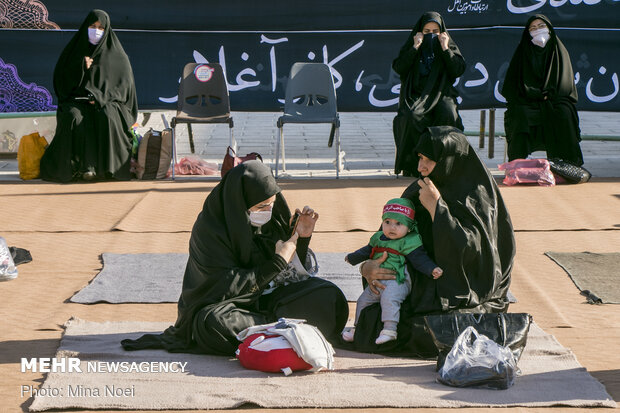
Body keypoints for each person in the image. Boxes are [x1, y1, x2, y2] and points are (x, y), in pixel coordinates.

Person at [121, 161, 348, 356]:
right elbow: (222, 286)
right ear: (239, 203)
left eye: (271, 203)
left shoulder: (272, 219)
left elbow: (290, 275)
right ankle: (290, 331)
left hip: (268, 303)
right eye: (261, 206)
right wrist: (276, 263)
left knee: (330, 296)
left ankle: (272, 334)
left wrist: (301, 237)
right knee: (211, 324)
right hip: (227, 305)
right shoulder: (210, 230)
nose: (268, 210)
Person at [351, 126, 515, 356]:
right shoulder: (418, 189)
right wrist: (369, 267)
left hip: (467, 290)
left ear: (450, 160)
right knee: (373, 321)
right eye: (420, 158)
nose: (421, 167)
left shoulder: (476, 194)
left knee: (441, 330)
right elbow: (388, 239)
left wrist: (438, 210)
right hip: (419, 285)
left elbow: (474, 254)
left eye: (430, 160)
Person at [40, 9, 137, 182]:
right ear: (85, 27)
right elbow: (61, 84)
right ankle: (77, 168)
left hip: (108, 103)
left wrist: (100, 97)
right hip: (77, 101)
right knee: (73, 117)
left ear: (107, 30)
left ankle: (108, 169)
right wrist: (80, 68)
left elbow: (123, 90)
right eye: (92, 26)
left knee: (107, 116)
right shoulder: (74, 52)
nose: (96, 31)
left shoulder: (118, 56)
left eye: (100, 27)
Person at [343, 197, 442, 345]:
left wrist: (431, 269)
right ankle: (358, 328)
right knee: (363, 300)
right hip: (378, 281)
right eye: (387, 222)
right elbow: (367, 250)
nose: (392, 227)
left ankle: (390, 330)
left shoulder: (409, 241)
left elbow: (419, 258)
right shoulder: (379, 238)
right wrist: (352, 258)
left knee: (389, 299)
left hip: (398, 279)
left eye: (398, 223)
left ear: (409, 227)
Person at [502, 14, 584, 166]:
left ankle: (569, 162)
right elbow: (512, 87)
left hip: (554, 100)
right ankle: (518, 163)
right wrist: (534, 94)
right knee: (519, 114)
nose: (537, 31)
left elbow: (564, 84)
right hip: (528, 101)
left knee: (564, 113)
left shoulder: (559, 51)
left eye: (541, 26)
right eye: (532, 28)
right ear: (528, 33)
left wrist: (548, 95)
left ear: (549, 30)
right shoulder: (522, 53)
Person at [392, 11, 466, 176]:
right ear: (420, 32)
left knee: (448, 114)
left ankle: (445, 163)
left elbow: (457, 69)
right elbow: (399, 67)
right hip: (416, 96)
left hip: (442, 94)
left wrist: (445, 48)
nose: (431, 36)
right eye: (427, 32)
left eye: (435, 32)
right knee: (410, 116)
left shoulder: (446, 45)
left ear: (442, 32)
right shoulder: (414, 46)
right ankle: (413, 166)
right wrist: (415, 47)